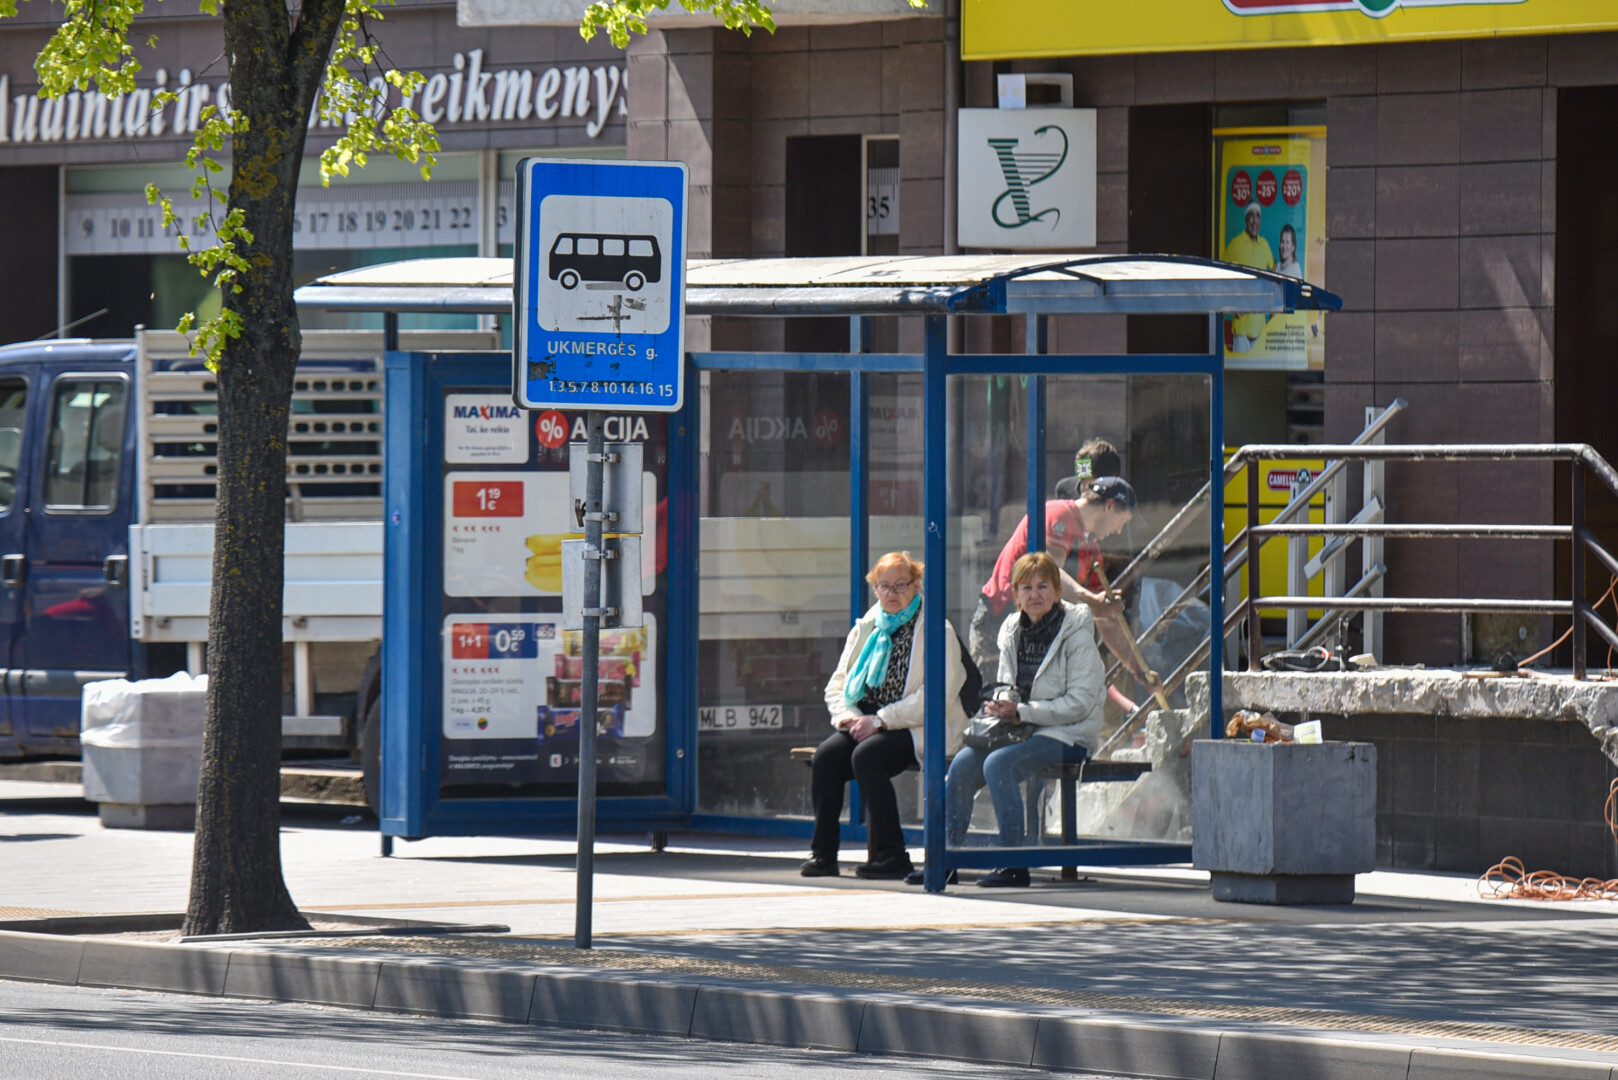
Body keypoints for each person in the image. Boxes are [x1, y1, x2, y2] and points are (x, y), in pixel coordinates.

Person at [804, 551, 969, 880]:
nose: (891, 593)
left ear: (916, 585)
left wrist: (881, 720)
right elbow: (838, 685)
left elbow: (937, 695)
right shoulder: (867, 626)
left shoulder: (936, 628)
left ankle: (893, 855)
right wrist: (850, 718)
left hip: (920, 725)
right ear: (875, 588)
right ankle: (824, 855)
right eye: (884, 586)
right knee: (826, 758)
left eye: (900, 585)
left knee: (867, 756)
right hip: (866, 720)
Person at [945, 551, 1105, 887]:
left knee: (998, 764)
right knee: (962, 764)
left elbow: (1080, 704)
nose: (1034, 595)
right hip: (1021, 729)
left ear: (1057, 591)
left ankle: (1014, 866)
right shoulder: (1012, 630)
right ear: (1016, 594)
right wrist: (1003, 705)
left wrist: (1022, 712)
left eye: (1043, 586)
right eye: (1026, 588)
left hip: (1068, 732)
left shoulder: (1076, 632)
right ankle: (947, 861)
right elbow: (1008, 686)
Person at [969, 477, 1151, 692]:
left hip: (1034, 632)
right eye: (1122, 520)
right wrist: (1092, 600)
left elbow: (1104, 617)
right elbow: (1050, 571)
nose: (1119, 530)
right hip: (1000, 619)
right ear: (1109, 506)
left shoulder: (1090, 547)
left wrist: (1138, 670)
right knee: (994, 701)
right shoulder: (1057, 514)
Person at [1222, 200, 1275, 352]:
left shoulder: (1264, 245)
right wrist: (1231, 303)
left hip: (1261, 330)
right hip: (1241, 332)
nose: (1254, 221)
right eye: (1251, 216)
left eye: (1258, 216)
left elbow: (1276, 276)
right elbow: (1218, 277)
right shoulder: (1235, 244)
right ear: (1246, 220)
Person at [1051, 437, 1121, 502]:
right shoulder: (1064, 490)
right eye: (1083, 479)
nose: (1085, 487)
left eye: (1092, 485)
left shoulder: (1120, 496)